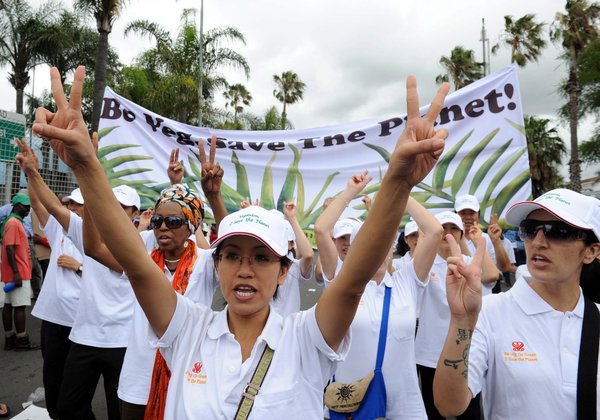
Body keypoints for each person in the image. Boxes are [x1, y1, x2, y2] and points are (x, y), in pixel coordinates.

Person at [32, 65, 449, 418]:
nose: (245, 268)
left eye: (262, 257)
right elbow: (137, 264)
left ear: (285, 272)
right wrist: (86, 163)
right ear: (216, 265)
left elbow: (354, 279)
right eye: (231, 254)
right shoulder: (187, 328)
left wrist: (396, 179)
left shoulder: (306, 338)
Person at [433, 188, 600, 420]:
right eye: (530, 230)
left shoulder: (595, 318)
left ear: (591, 251)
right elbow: (449, 406)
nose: (539, 242)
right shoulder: (490, 312)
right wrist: (461, 320)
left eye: (558, 232)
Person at [324, 196, 442, 419]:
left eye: (383, 243)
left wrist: (403, 191)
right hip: (353, 404)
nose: (376, 251)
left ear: (391, 248)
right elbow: (322, 230)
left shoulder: (407, 280)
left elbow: (435, 231)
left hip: (406, 406)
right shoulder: (344, 284)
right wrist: (349, 192)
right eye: (367, 245)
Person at [16, 138, 85, 420]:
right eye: (69, 203)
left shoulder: (102, 236)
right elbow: (38, 202)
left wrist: (79, 266)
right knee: (53, 376)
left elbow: (118, 274)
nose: (69, 207)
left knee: (77, 383)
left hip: (81, 322)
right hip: (53, 320)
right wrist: (31, 172)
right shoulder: (58, 230)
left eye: (76, 204)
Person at [415, 210, 498, 420]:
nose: (447, 233)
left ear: (461, 234)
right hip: (430, 352)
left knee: (468, 410)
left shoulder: (470, 263)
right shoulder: (425, 263)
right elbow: (414, 275)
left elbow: (491, 276)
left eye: (454, 229)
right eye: (443, 228)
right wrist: (424, 239)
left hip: (465, 352)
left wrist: (477, 240)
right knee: (432, 411)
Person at [454, 194, 515, 294]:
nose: (468, 217)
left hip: (486, 298)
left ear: (478, 215)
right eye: (463, 213)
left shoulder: (490, 238)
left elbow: (502, 270)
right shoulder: (449, 241)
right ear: (456, 215)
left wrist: (496, 241)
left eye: (472, 213)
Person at [1, 192, 39, 351]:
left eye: (29, 207)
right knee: (20, 306)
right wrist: (17, 273)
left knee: (9, 305)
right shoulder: (14, 223)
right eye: (25, 207)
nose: (28, 210)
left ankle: (10, 338)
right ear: (16, 206)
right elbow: (9, 247)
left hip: (12, 272)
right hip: (18, 273)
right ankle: (22, 340)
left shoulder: (13, 221)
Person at [270, 202, 314, 318]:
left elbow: (308, 255)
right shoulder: (257, 265)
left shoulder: (294, 267)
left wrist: (292, 219)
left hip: (287, 331)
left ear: (290, 244)